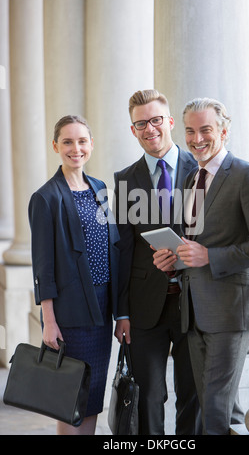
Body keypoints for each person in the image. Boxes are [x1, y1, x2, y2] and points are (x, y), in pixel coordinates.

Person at [153, 97, 249, 435]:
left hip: (230, 311)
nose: (197, 139)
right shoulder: (190, 179)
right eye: (189, 131)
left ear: (224, 131)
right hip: (193, 310)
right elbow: (193, 242)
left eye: (206, 130)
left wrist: (209, 257)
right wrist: (174, 259)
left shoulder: (247, 175)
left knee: (215, 407)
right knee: (212, 404)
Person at [114, 89, 201, 435]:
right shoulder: (124, 180)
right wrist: (121, 313)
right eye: (140, 124)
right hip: (144, 307)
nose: (149, 129)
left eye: (155, 120)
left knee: (191, 395)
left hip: (194, 304)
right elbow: (120, 251)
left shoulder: (201, 171)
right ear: (132, 130)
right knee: (148, 396)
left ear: (169, 122)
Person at [28, 115, 120, 435]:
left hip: (100, 310)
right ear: (56, 146)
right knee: (70, 398)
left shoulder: (99, 189)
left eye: (82, 141)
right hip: (68, 314)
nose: (75, 148)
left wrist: (120, 312)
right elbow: (43, 267)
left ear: (91, 145)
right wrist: (48, 321)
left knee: (93, 396)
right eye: (67, 141)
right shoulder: (45, 198)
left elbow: (112, 247)